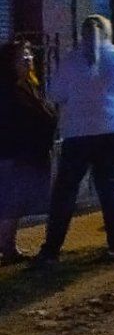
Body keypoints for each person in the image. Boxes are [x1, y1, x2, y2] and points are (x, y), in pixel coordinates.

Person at [33, 16, 114, 266]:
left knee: (65, 191)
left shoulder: (71, 61)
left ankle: (51, 250)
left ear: (82, 34)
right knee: (109, 187)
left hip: (78, 132)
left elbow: (54, 93)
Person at [0, 41, 57, 265]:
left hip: (27, 154)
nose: (28, 60)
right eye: (22, 57)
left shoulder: (28, 85)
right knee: (10, 204)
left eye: (29, 55)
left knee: (14, 203)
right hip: (13, 153)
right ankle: (8, 248)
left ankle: (8, 244)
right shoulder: (7, 90)